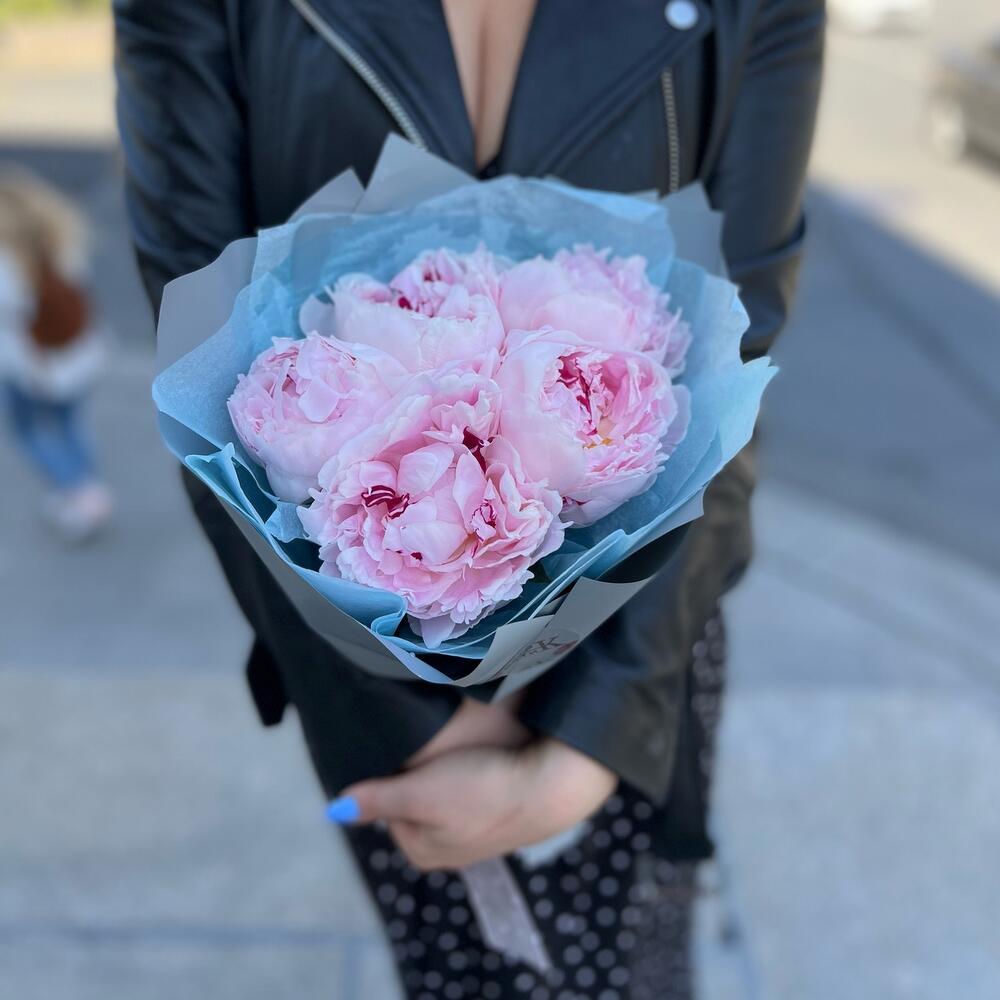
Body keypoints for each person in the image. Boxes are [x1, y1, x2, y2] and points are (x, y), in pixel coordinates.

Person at [114, 1, 824, 996]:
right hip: (370, 662)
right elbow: (198, 364)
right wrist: (413, 730)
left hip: (634, 635)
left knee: (638, 969)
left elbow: (735, 360)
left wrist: (591, 737)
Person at [0, 169, 113, 541]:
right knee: (69, 424)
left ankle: (80, 493)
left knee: (29, 431)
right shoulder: (65, 248)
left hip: (34, 372)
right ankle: (85, 483)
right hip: (80, 361)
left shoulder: (7, 271)